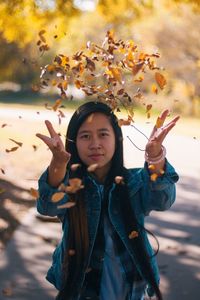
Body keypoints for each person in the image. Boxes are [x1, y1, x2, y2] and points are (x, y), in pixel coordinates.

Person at [36, 101, 179, 300]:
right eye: (85, 136)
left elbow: (163, 199)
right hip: (79, 290)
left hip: (130, 290)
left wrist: (155, 157)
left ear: (117, 138)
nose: (95, 144)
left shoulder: (134, 182)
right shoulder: (71, 184)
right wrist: (58, 164)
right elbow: (47, 206)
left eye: (103, 134)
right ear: (74, 142)